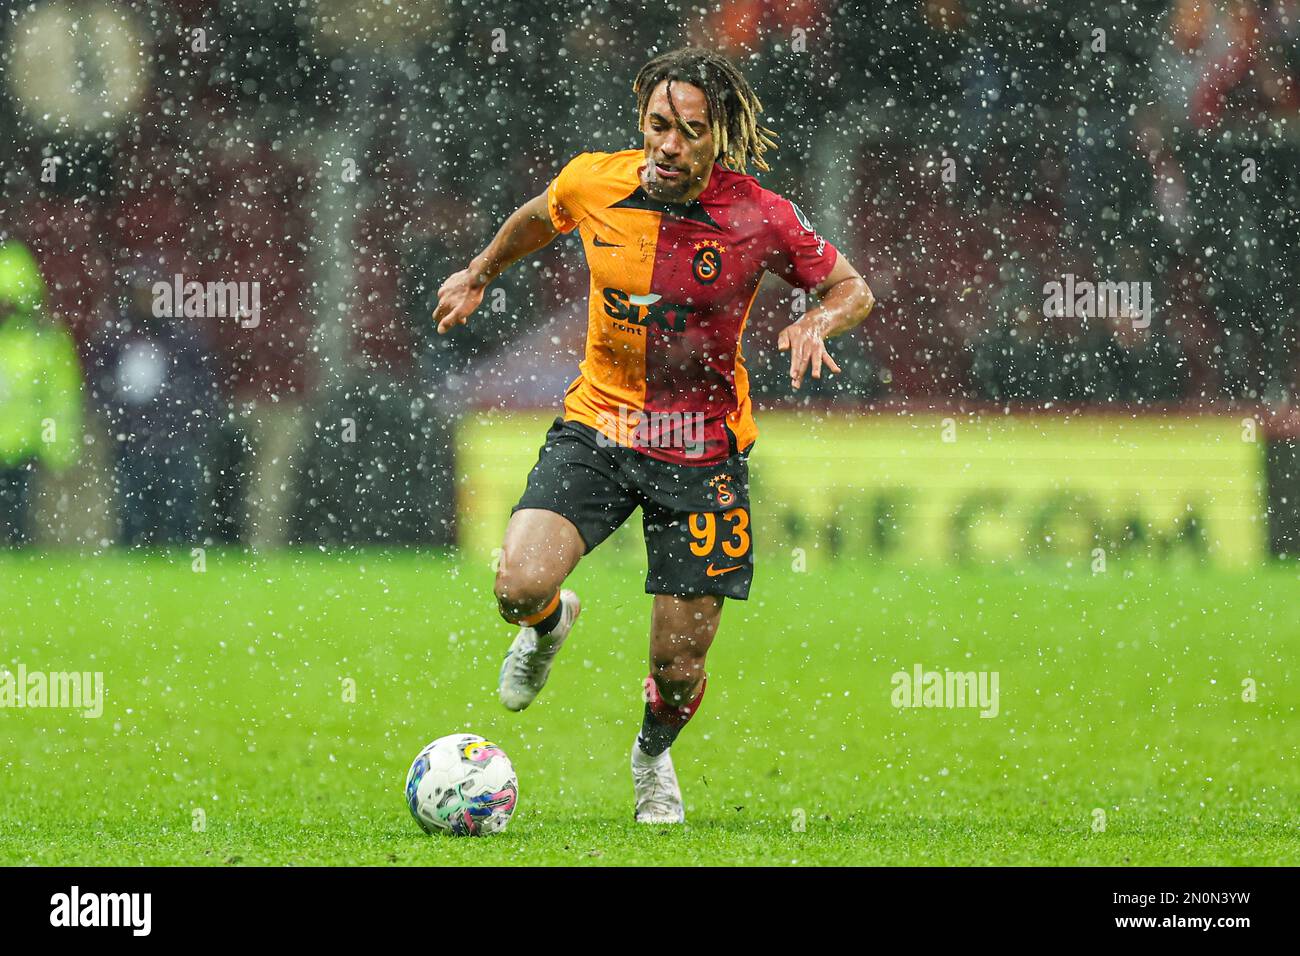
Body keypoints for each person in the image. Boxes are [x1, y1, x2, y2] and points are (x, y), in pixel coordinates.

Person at [432, 48, 874, 824]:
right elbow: (542, 215)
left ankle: (651, 755)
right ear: (643, 122)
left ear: (718, 138)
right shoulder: (595, 181)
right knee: (517, 586)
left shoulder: (760, 216)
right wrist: (483, 269)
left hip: (703, 453)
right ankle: (547, 625)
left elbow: (851, 287)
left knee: (677, 668)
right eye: (659, 126)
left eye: (691, 132)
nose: (670, 145)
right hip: (600, 427)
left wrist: (818, 317)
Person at [0, 240, 83, 546]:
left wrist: (59, 445)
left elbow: (61, 396)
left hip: (24, 445)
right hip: (19, 441)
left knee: (21, 517)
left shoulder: (44, 339)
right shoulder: (42, 338)